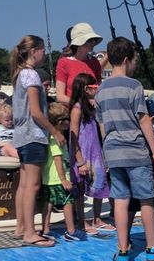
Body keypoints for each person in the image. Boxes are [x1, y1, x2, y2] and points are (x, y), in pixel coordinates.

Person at [95, 36, 154, 261]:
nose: (136, 64)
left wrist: (106, 152)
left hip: (112, 151)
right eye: (135, 60)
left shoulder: (101, 90)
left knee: (120, 200)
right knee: (146, 199)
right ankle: (153, 248)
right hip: (134, 150)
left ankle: (122, 249)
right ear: (126, 59)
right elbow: (144, 121)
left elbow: (102, 125)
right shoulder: (134, 86)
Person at [10, 34, 66, 247]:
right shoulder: (31, 76)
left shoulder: (19, 75)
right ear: (33, 51)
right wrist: (55, 131)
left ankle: (21, 227)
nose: (44, 53)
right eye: (42, 49)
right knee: (32, 185)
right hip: (33, 135)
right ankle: (30, 233)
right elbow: (36, 112)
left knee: (24, 184)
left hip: (21, 135)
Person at [68, 72, 114, 233]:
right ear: (86, 89)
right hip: (82, 154)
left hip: (95, 151)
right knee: (80, 190)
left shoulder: (91, 108)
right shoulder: (77, 108)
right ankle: (81, 221)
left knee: (100, 185)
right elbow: (73, 136)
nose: (97, 89)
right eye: (94, 87)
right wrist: (79, 160)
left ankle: (97, 218)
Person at [40, 102, 83, 242]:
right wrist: (64, 179)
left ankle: (45, 229)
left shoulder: (53, 138)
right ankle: (71, 230)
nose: (69, 122)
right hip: (57, 178)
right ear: (59, 122)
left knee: (48, 202)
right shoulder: (55, 139)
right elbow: (57, 159)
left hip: (49, 178)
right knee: (68, 201)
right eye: (67, 120)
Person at [55, 22, 103, 107]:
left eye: (94, 40)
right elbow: (60, 97)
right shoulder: (63, 63)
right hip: (73, 113)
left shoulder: (95, 62)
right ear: (79, 43)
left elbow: (99, 90)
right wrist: (82, 105)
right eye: (90, 40)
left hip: (92, 113)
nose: (93, 42)